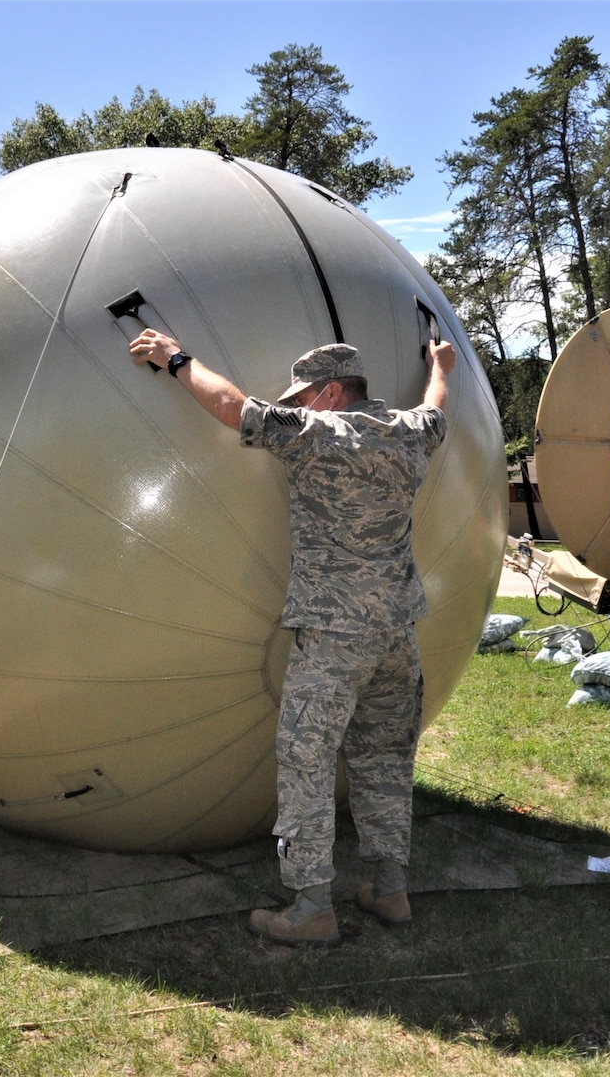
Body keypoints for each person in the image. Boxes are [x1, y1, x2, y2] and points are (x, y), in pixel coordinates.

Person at [130, 328, 453, 946]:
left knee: (306, 762)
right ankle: (389, 890)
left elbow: (235, 409)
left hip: (334, 637)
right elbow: (437, 405)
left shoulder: (318, 435)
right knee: (385, 758)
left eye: (305, 396)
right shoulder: (408, 434)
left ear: (331, 393)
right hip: (396, 633)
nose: (299, 407)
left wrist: (176, 359)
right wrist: (442, 364)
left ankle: (311, 906)